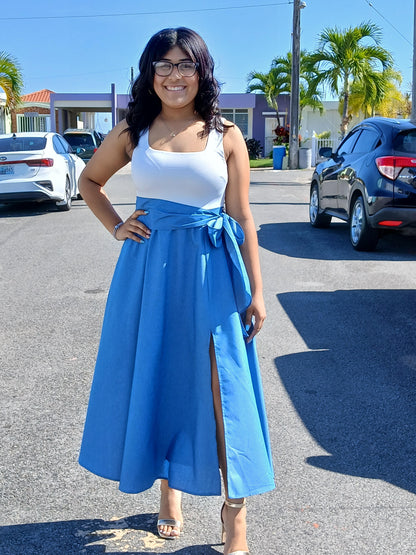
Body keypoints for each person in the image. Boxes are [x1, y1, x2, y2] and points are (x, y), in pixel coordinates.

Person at [78, 27, 275, 555]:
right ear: (150, 73)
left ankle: (235, 516)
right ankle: (170, 494)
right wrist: (117, 225)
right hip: (149, 274)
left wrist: (257, 292)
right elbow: (89, 183)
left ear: (201, 71)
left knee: (222, 389)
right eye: (162, 65)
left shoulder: (226, 133)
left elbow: (242, 216)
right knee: (162, 374)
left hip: (213, 271)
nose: (174, 75)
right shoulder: (132, 131)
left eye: (185, 64)